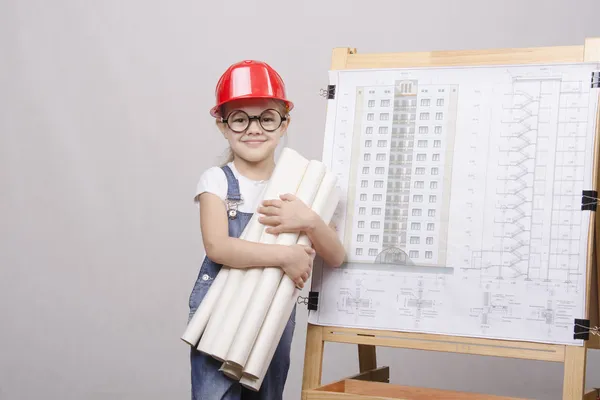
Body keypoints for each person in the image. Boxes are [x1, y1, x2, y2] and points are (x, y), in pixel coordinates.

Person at [188, 60, 346, 400]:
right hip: (221, 314)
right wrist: (285, 256)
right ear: (222, 125)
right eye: (240, 118)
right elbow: (218, 248)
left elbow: (336, 256)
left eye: (267, 118)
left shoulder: (302, 187)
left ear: (284, 122)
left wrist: (309, 220)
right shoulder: (216, 181)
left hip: (270, 313)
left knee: (268, 392)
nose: (253, 129)